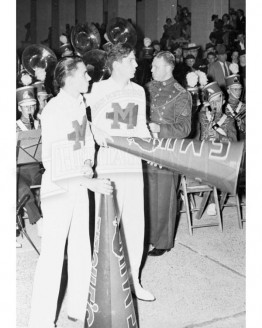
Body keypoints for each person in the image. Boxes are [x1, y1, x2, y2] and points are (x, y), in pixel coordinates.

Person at [28, 56, 113, 328]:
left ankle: (77, 307)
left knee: (81, 248)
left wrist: (88, 161)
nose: (89, 78)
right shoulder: (53, 110)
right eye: (84, 75)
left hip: (79, 186)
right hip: (59, 190)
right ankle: (40, 321)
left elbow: (86, 139)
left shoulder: (79, 104)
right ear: (68, 78)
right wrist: (89, 182)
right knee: (53, 256)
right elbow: (54, 162)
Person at [87, 43, 155, 302]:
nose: (137, 65)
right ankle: (106, 282)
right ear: (116, 64)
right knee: (107, 223)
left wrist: (152, 151)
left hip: (133, 164)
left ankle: (134, 280)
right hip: (108, 165)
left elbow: (141, 128)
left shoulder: (139, 90)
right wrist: (95, 130)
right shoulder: (98, 89)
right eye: (131, 61)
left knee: (135, 223)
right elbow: (81, 120)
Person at [144, 51, 192, 256]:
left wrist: (158, 129)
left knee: (164, 197)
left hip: (168, 150)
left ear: (168, 68)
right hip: (145, 147)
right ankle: (146, 235)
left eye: (156, 66)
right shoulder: (146, 88)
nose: (151, 69)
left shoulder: (181, 94)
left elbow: (184, 128)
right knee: (146, 194)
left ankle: (162, 241)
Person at [199, 81, 237, 215]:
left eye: (218, 101)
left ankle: (212, 202)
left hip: (224, 157)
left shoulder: (229, 120)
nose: (215, 105)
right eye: (212, 102)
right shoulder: (204, 117)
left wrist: (220, 137)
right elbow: (199, 140)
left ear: (224, 100)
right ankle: (212, 200)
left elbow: (234, 142)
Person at [16, 85, 43, 236]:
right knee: (19, 186)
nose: (30, 110)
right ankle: (38, 220)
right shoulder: (14, 127)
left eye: (32, 106)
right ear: (20, 108)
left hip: (39, 168)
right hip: (22, 169)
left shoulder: (41, 123)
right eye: (26, 107)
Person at [225, 74, 245, 140]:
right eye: (235, 89)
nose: (239, 92)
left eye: (240, 89)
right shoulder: (223, 107)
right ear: (228, 90)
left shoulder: (244, 107)